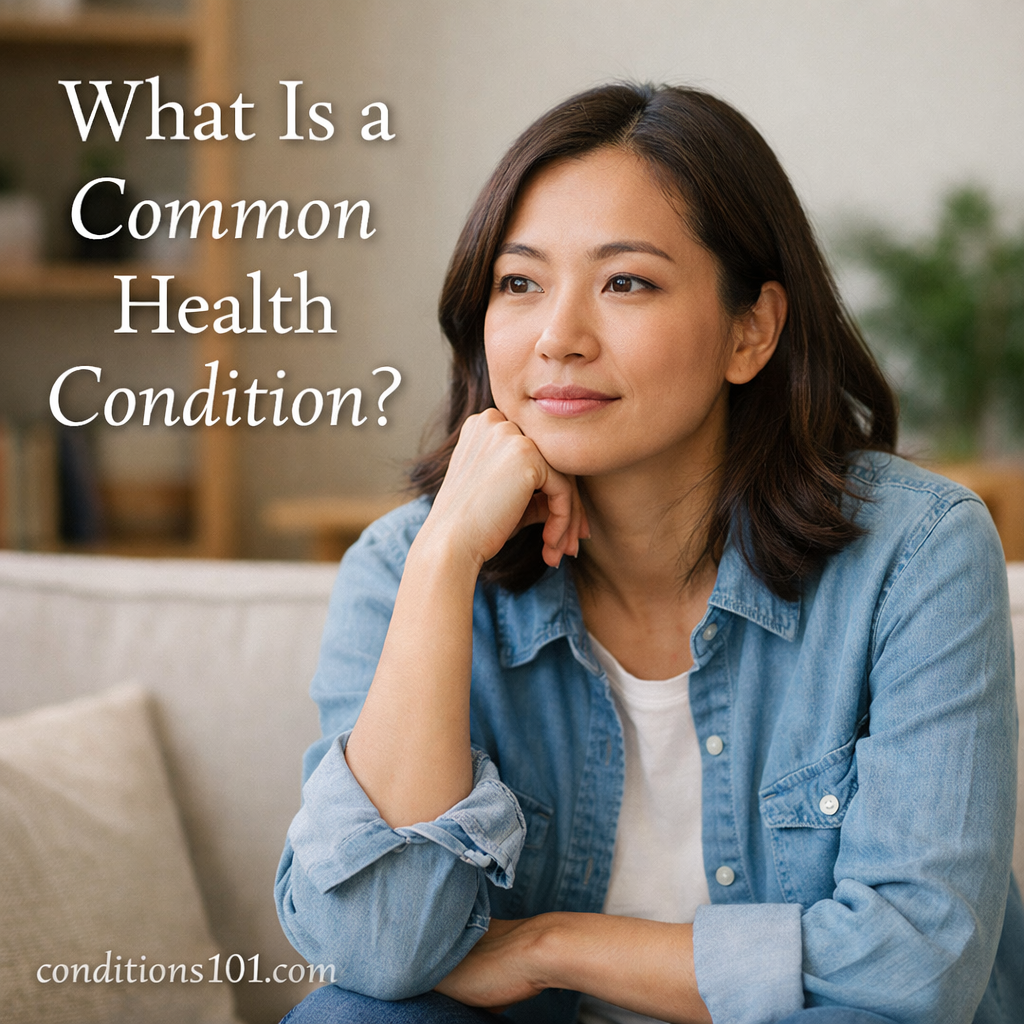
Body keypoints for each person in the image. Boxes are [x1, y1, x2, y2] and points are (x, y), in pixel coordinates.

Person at [274, 83, 1022, 1024]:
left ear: (750, 331)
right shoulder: (403, 568)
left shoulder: (917, 556)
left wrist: (550, 947)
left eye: (626, 281)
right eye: (519, 282)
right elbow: (377, 951)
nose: (558, 338)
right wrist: (442, 563)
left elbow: (918, 966)